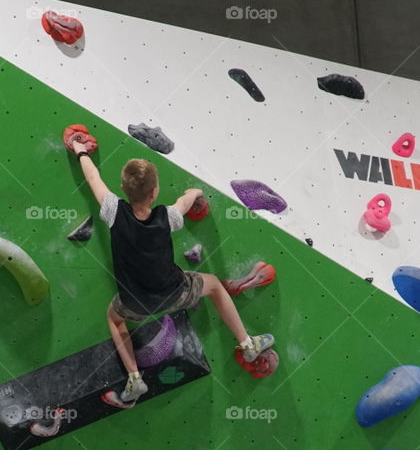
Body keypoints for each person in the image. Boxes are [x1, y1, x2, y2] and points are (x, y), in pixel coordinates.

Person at [71, 141, 275, 403]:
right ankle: (248, 344)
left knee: (115, 319)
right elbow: (184, 202)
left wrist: (80, 151)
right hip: (175, 293)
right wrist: (195, 192)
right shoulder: (167, 217)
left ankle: (134, 379)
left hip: (135, 303)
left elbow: (93, 178)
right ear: (155, 192)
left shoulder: (113, 210)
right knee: (213, 285)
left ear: (123, 189)